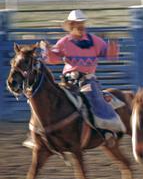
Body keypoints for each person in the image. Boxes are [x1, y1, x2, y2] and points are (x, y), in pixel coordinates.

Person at [24, 10, 124, 148]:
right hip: (68, 81)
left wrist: (113, 48)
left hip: (87, 81)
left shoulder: (94, 41)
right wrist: (47, 50)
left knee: (93, 97)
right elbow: (53, 59)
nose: (81, 26)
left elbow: (110, 55)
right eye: (78, 23)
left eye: (82, 23)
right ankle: (36, 132)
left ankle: (106, 130)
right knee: (45, 98)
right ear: (71, 25)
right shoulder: (64, 42)